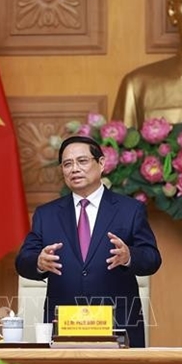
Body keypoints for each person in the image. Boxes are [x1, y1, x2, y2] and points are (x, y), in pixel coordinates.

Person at [15, 135, 161, 348]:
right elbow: (22, 262)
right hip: (63, 326)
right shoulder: (46, 215)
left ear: (101, 163)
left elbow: (152, 258)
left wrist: (129, 256)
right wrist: (38, 261)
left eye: (82, 161)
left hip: (119, 325)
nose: (74, 169)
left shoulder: (130, 210)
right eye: (67, 164)